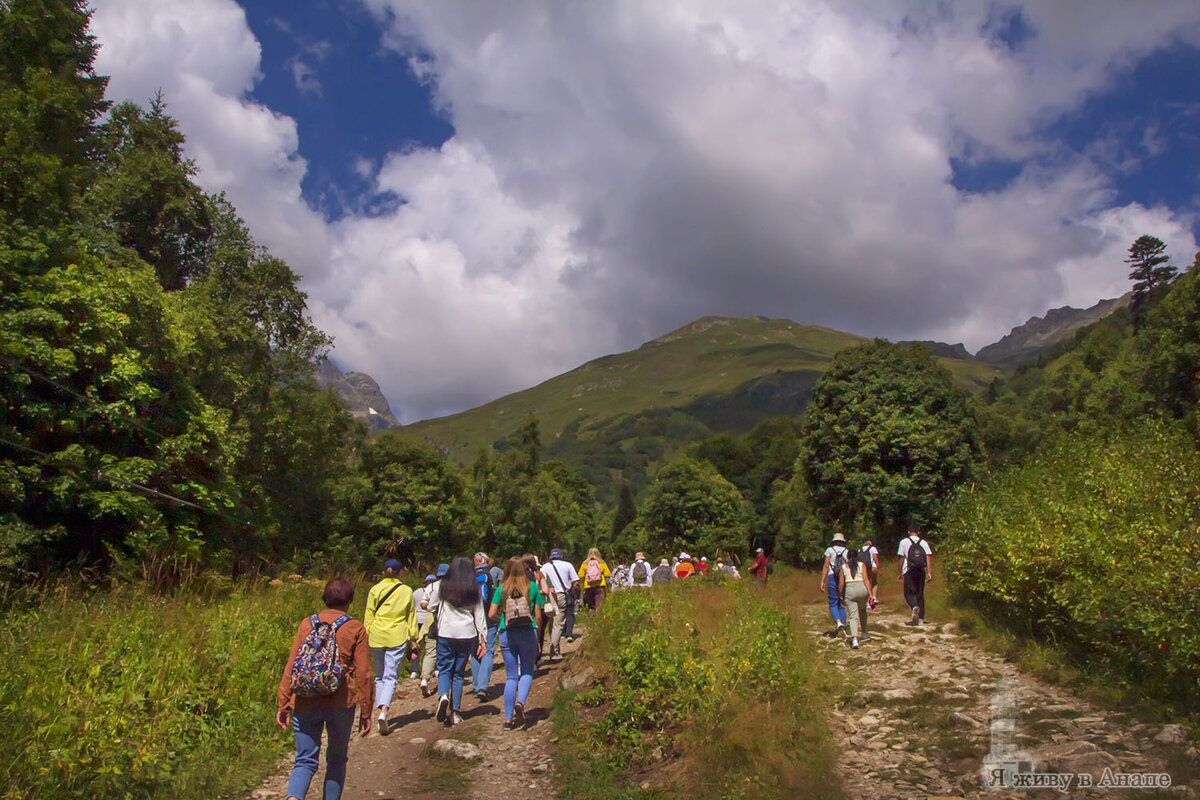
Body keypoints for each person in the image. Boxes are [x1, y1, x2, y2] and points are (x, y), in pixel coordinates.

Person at [276, 577, 373, 800]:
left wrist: (284, 703)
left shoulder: (306, 624)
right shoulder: (355, 627)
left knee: (304, 760)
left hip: (304, 701)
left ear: (324, 599)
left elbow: (292, 665)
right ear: (349, 601)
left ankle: (292, 798)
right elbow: (364, 674)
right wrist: (366, 711)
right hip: (340, 703)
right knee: (337, 759)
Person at [425, 556, 487, 726]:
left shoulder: (443, 586)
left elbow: (430, 606)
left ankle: (443, 695)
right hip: (467, 634)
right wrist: (483, 639)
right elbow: (479, 614)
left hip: (446, 632)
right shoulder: (473, 588)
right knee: (458, 673)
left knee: (444, 668)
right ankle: (455, 712)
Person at [489, 556, 547, 730]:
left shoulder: (502, 589)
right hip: (527, 632)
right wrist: (538, 638)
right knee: (527, 671)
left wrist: (503, 619)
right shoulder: (532, 587)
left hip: (507, 633)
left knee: (511, 676)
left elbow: (491, 613)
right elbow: (537, 616)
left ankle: (507, 719)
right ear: (523, 570)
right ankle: (520, 702)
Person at [364, 559, 418, 736]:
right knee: (391, 676)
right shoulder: (406, 590)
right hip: (397, 635)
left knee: (379, 675)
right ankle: (384, 711)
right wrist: (414, 638)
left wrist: (366, 633)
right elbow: (410, 616)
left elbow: (369, 613)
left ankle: (380, 710)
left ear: (383, 573)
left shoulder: (375, 589)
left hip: (377, 635)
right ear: (400, 572)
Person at [470, 552, 504, 701]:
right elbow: (503, 591)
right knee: (488, 650)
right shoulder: (496, 571)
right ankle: (483, 686)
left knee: (474, 652)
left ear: (476, 562)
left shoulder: (468, 574)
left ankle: (476, 685)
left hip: (472, 618)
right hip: (490, 615)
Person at [542, 548, 578, 660]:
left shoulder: (544, 567)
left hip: (549, 596)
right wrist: (575, 594)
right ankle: (554, 652)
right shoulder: (567, 565)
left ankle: (551, 649)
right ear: (561, 556)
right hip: (562, 595)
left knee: (552, 622)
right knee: (558, 624)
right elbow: (576, 583)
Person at [837, 550, 875, 649]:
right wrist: (870, 594)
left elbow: (841, 584)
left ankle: (854, 639)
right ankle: (865, 632)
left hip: (850, 590)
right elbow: (866, 579)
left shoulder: (844, 567)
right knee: (862, 610)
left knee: (853, 616)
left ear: (848, 557)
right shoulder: (862, 565)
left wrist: (841, 596)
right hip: (862, 589)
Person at [897, 528, 934, 626]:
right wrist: (929, 572)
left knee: (908, 593)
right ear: (918, 532)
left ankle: (914, 606)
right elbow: (928, 557)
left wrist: (899, 572)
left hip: (908, 570)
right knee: (920, 594)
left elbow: (901, 557)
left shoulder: (904, 542)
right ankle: (921, 619)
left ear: (908, 532)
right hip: (921, 570)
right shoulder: (924, 542)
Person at [820, 534, 851, 636]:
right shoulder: (847, 551)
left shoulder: (829, 550)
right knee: (842, 602)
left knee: (833, 602)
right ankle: (843, 627)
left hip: (832, 576)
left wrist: (822, 581)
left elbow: (826, 565)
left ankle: (838, 622)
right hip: (844, 577)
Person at [413, 573, 439, 696]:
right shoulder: (444, 588)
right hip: (437, 622)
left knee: (428, 651)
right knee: (442, 649)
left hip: (424, 622)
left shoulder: (419, 591)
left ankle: (422, 676)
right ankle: (439, 671)